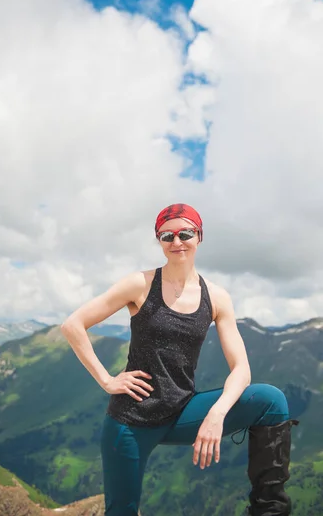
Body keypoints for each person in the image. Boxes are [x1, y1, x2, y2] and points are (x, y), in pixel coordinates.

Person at [61, 203, 298, 516]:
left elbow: (241, 370)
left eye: (185, 233)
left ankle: (269, 511)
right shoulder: (140, 284)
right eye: (166, 235)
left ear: (199, 236)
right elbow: (72, 325)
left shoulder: (216, 297)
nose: (176, 242)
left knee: (271, 400)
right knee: (121, 511)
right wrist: (107, 380)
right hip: (132, 421)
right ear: (159, 241)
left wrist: (216, 414)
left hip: (183, 411)